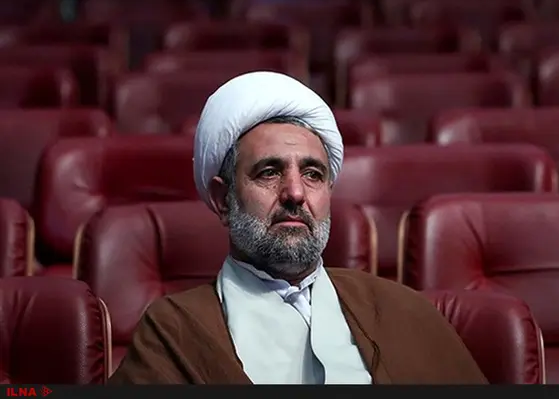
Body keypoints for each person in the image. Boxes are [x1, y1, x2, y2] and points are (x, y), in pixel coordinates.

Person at [108, 71, 488, 385]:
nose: (295, 193)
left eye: (312, 174)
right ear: (223, 200)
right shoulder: (173, 332)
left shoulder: (401, 310)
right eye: (269, 172)